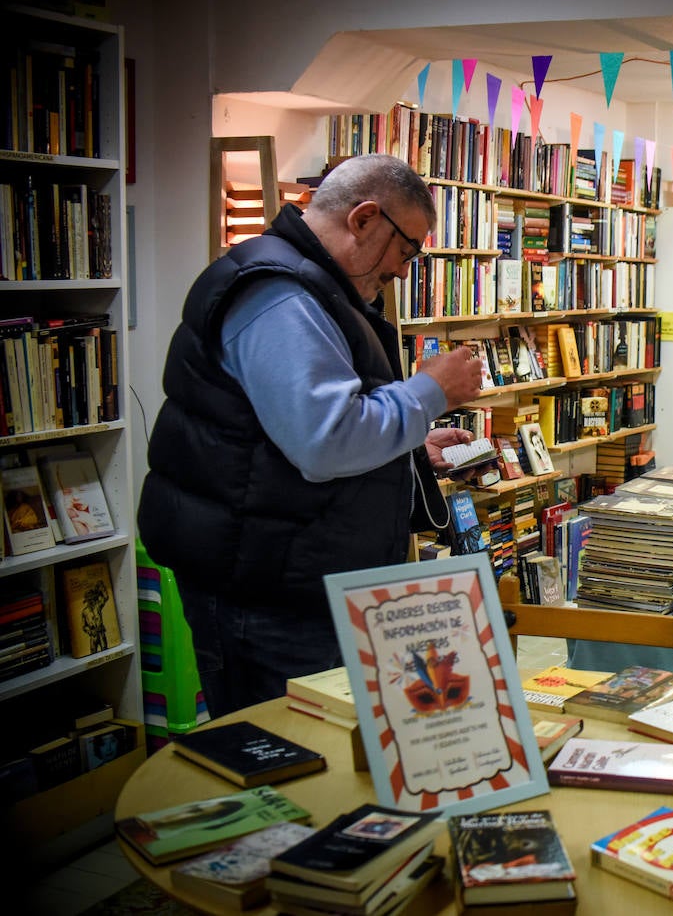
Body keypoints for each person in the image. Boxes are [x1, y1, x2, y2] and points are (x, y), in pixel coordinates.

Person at [138, 154, 484, 717]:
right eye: (407, 249)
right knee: (287, 766)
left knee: (321, 760)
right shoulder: (279, 295)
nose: (403, 270)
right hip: (269, 594)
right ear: (365, 219)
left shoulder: (315, 287)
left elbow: (286, 432)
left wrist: (405, 450)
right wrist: (429, 393)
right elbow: (324, 440)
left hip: (291, 578)